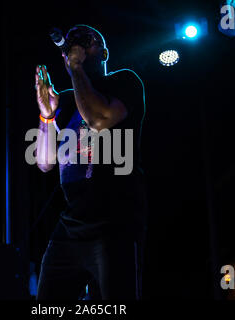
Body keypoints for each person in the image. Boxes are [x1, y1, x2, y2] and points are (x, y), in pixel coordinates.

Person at [34, 25, 147, 300]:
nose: (81, 47)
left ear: (105, 53)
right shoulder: (69, 99)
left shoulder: (125, 82)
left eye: (89, 42)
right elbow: (45, 162)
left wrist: (75, 69)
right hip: (71, 224)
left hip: (113, 220)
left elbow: (99, 120)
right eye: (75, 44)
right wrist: (47, 116)